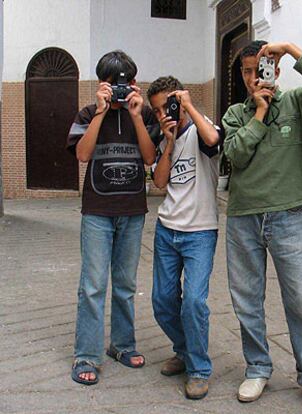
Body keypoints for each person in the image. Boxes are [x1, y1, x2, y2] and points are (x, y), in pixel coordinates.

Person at [222, 41, 302, 414]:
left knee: (301, 303)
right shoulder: (235, 114)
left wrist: (292, 50)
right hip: (244, 217)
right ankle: (258, 368)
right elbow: (234, 155)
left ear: (274, 66)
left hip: (288, 215)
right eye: (246, 69)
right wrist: (258, 113)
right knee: (247, 301)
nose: (253, 75)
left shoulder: (298, 104)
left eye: (261, 66)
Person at [66, 50, 156, 385]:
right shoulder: (88, 113)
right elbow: (82, 154)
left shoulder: (143, 113)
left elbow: (149, 158)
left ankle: (122, 344)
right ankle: (86, 354)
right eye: (114, 83)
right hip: (97, 211)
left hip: (132, 210)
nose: (122, 89)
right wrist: (101, 114)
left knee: (126, 284)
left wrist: (134, 116)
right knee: (92, 286)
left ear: (134, 82)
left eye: (128, 82)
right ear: (102, 84)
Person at [147, 76, 220, 400]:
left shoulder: (203, 128)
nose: (165, 113)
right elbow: (160, 183)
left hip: (200, 232)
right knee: (163, 302)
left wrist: (189, 107)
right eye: (158, 109)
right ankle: (184, 350)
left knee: (193, 302)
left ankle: (199, 370)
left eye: (169, 105)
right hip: (167, 230)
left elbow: (215, 141)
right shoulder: (165, 139)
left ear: (180, 99)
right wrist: (169, 141)